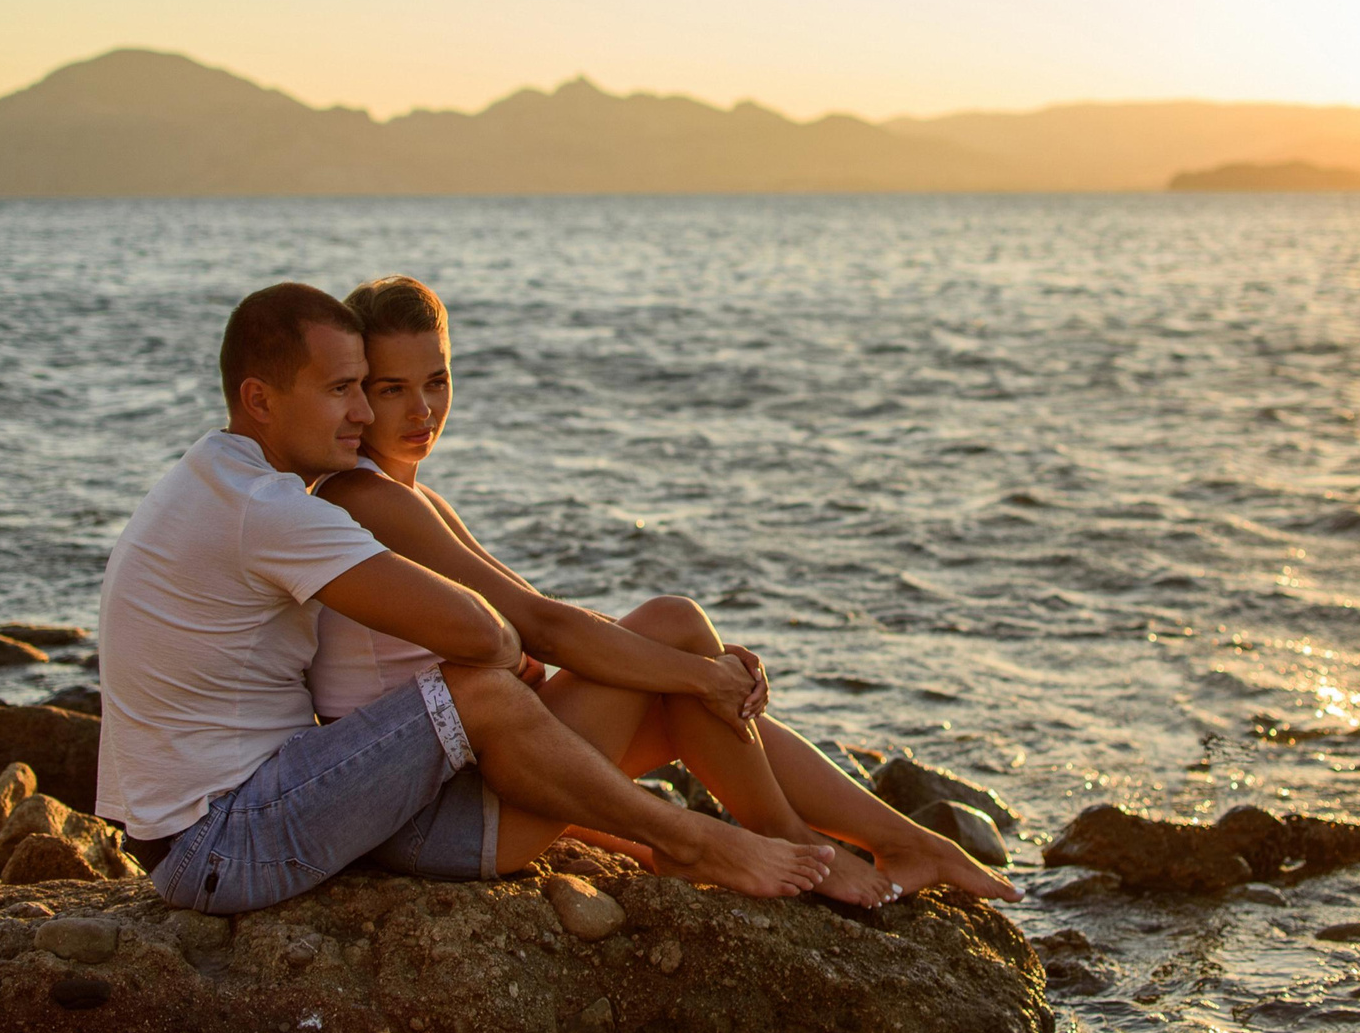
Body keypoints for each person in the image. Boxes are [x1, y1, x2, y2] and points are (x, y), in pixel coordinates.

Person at [94, 281, 833, 916]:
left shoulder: (215, 476)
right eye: (341, 389)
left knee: (504, 683)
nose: (361, 415)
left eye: (363, 386)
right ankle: (691, 838)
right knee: (475, 691)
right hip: (223, 843)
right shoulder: (271, 508)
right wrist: (512, 654)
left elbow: (511, 619)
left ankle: (759, 833)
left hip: (197, 827)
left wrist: (524, 647)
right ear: (259, 398)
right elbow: (487, 636)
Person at [312, 274, 1016, 907]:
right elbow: (543, 627)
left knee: (678, 671)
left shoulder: (412, 496)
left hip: (487, 777)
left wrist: (692, 676)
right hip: (440, 819)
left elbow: (540, 621)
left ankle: (906, 842)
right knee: (675, 625)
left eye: (436, 380)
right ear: (353, 390)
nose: (421, 409)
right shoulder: (365, 499)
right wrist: (696, 669)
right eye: (390, 389)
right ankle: (798, 845)